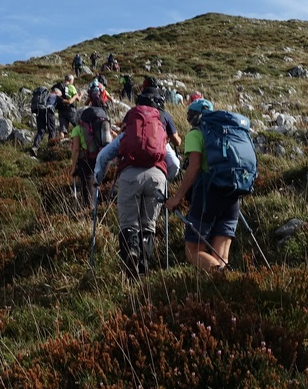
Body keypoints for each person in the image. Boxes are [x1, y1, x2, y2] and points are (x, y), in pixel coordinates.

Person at [89, 112, 181, 274]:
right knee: (148, 225)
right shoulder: (159, 134)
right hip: (156, 177)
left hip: (130, 176)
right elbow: (174, 163)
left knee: (129, 223)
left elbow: (104, 156)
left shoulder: (126, 135)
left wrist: (98, 177)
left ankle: (132, 253)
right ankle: (144, 265)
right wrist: (166, 179)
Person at [165, 99, 243, 272]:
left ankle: (223, 276)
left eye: (190, 115)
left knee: (193, 251)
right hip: (232, 196)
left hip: (208, 196)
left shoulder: (196, 134)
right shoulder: (227, 132)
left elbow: (194, 167)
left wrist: (177, 197)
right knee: (221, 255)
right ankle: (226, 286)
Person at [67, 104, 110, 209]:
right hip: (102, 157)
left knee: (88, 188)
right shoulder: (99, 125)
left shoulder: (77, 129)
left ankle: (89, 212)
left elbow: (76, 149)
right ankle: (98, 208)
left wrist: (73, 168)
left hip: (87, 161)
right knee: (96, 184)